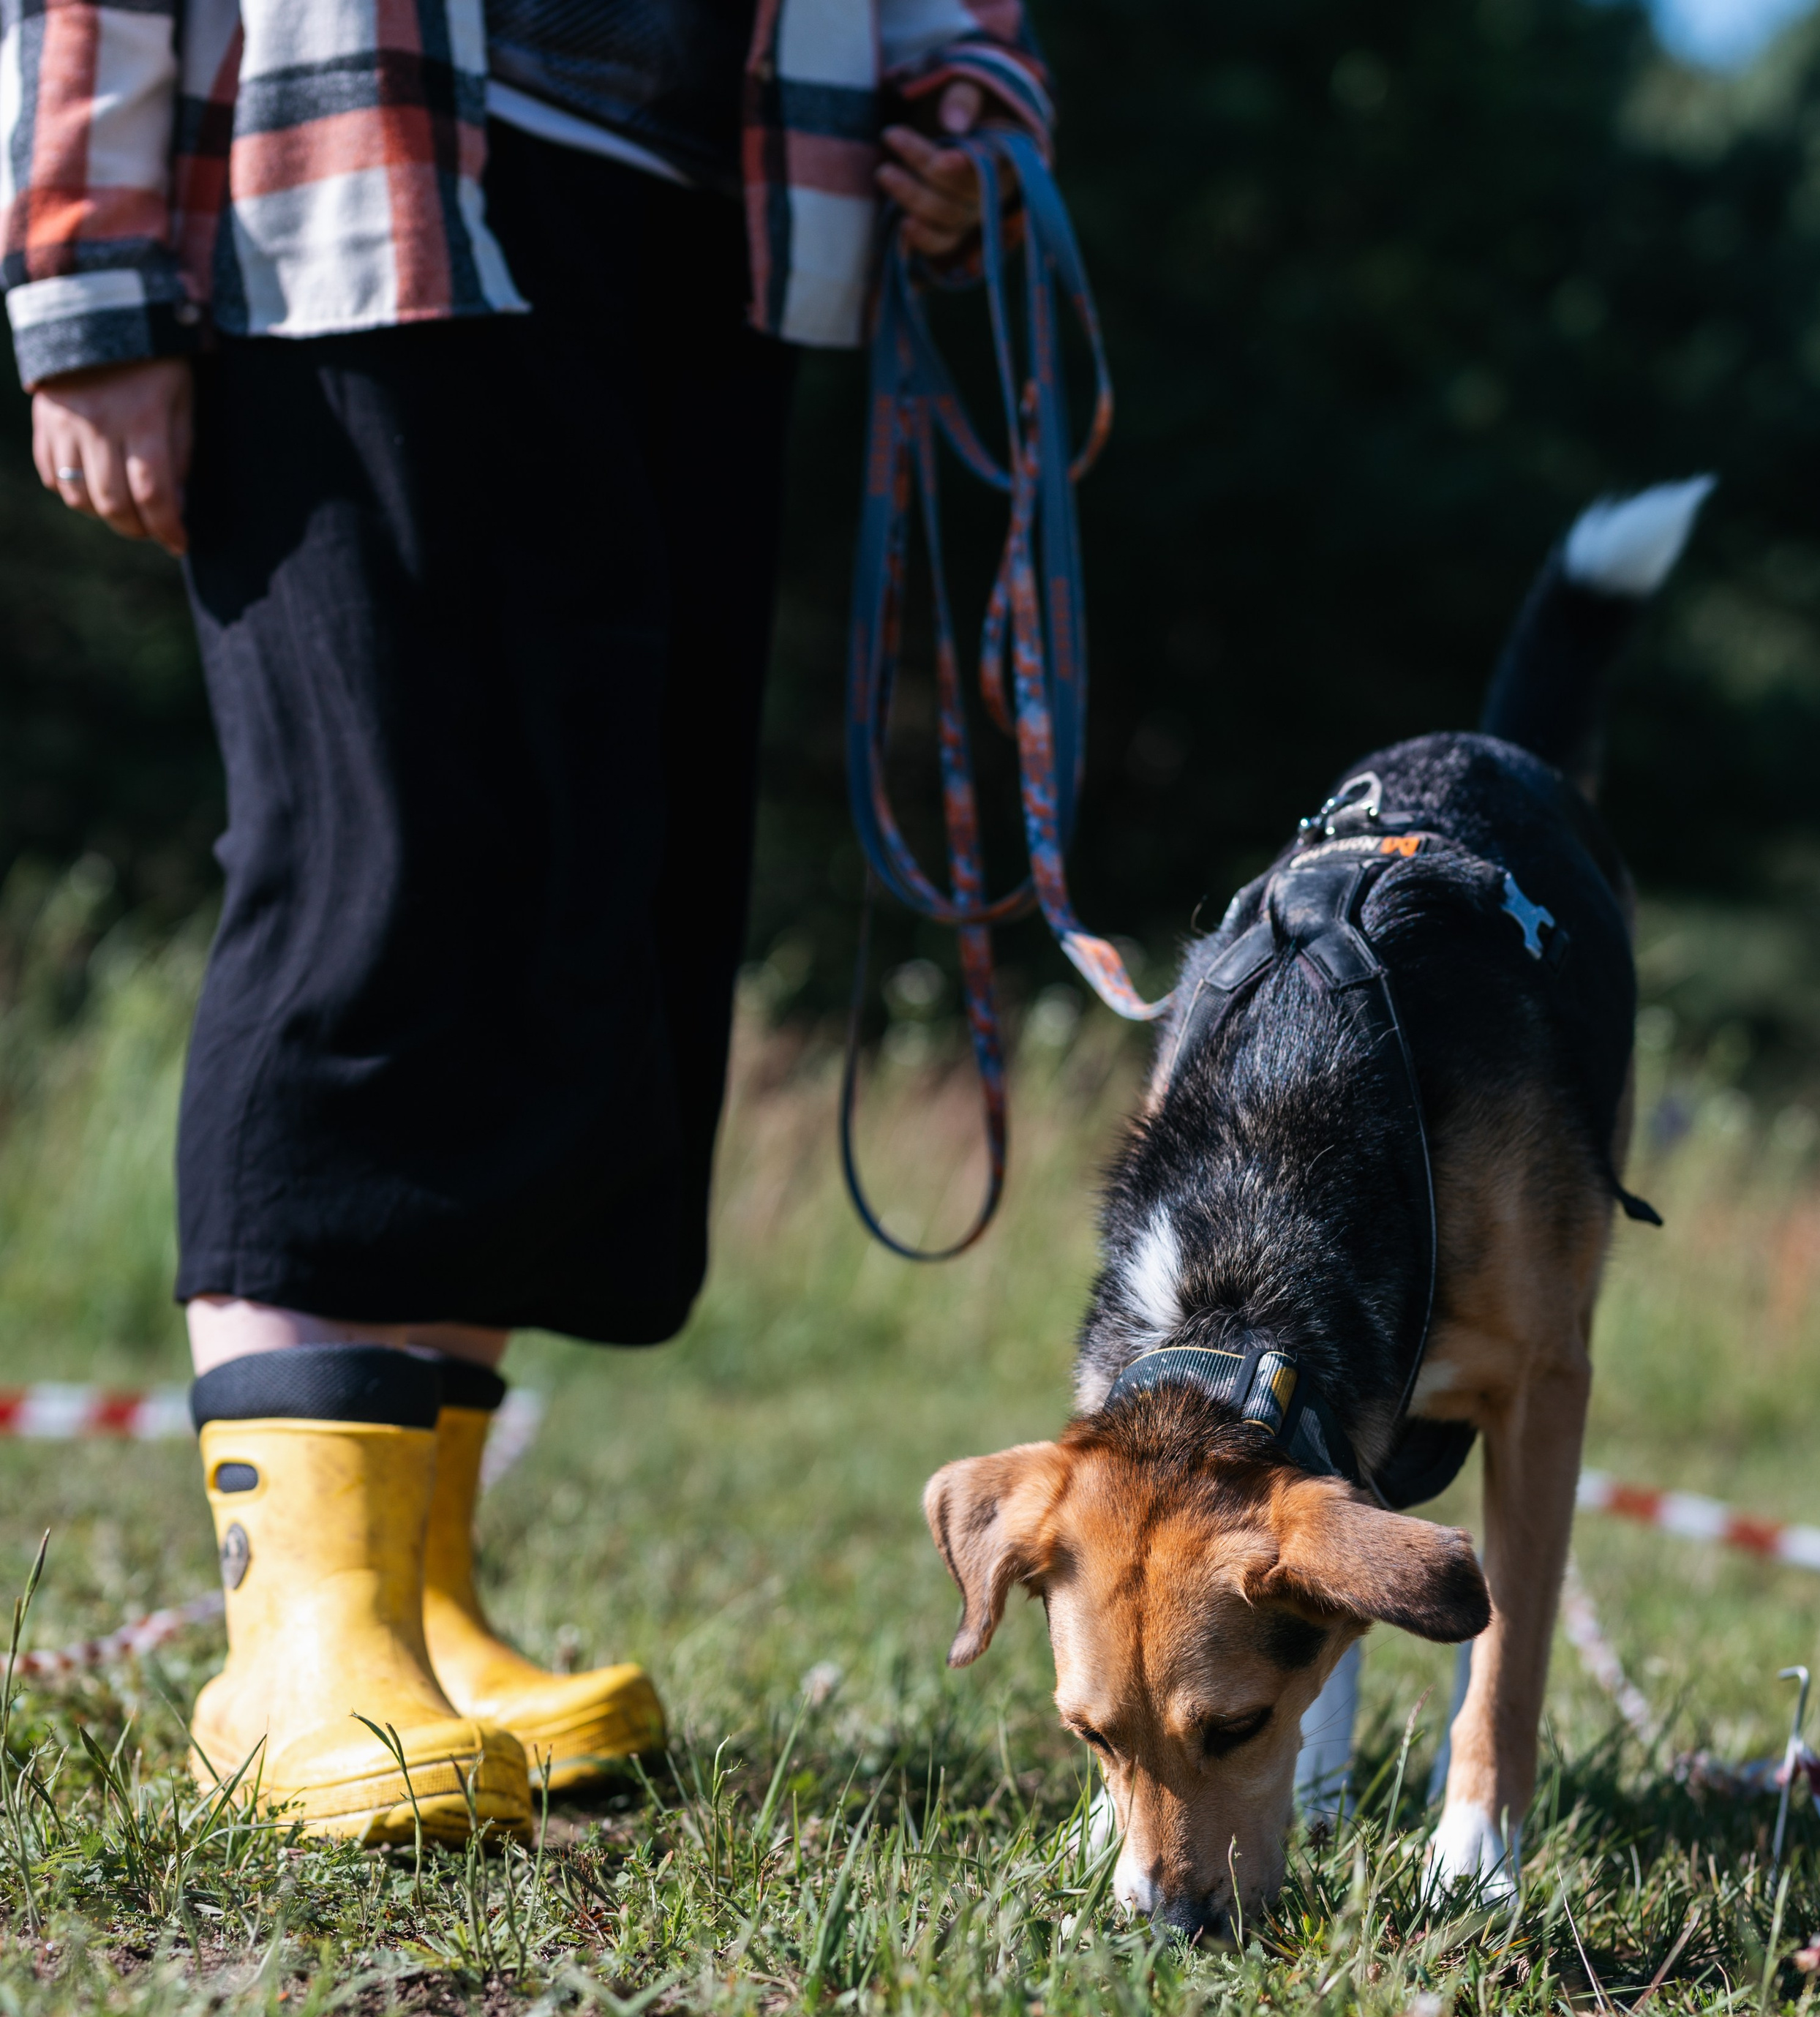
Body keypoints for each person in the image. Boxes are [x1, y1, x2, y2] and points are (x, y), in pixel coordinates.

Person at [2, 0, 1052, 1841]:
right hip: (354, 190)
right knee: (378, 864)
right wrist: (86, 279)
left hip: (718, 219)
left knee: (592, 904)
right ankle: (297, 1643)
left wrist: (972, 103)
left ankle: (415, 1601)